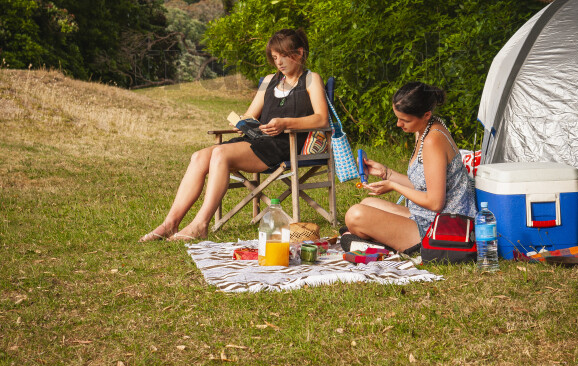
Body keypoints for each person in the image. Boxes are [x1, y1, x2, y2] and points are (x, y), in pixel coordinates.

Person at [140, 28, 329, 242]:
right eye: (275, 57)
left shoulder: (311, 79)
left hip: (285, 144)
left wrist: (285, 123)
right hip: (256, 139)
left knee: (220, 153)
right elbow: (251, 114)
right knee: (199, 156)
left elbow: (321, 119)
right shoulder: (269, 81)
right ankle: (169, 224)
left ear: (300, 53)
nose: (279, 63)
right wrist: (243, 122)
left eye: (283, 56)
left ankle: (200, 224)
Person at [344, 81, 476, 252]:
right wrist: (386, 173)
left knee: (356, 215)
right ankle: (376, 240)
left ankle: (378, 243)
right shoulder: (424, 129)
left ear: (426, 114)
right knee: (367, 203)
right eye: (398, 118)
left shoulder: (432, 141)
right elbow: (423, 184)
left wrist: (393, 186)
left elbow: (435, 203)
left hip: (441, 228)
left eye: (404, 120)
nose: (399, 124)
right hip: (425, 216)